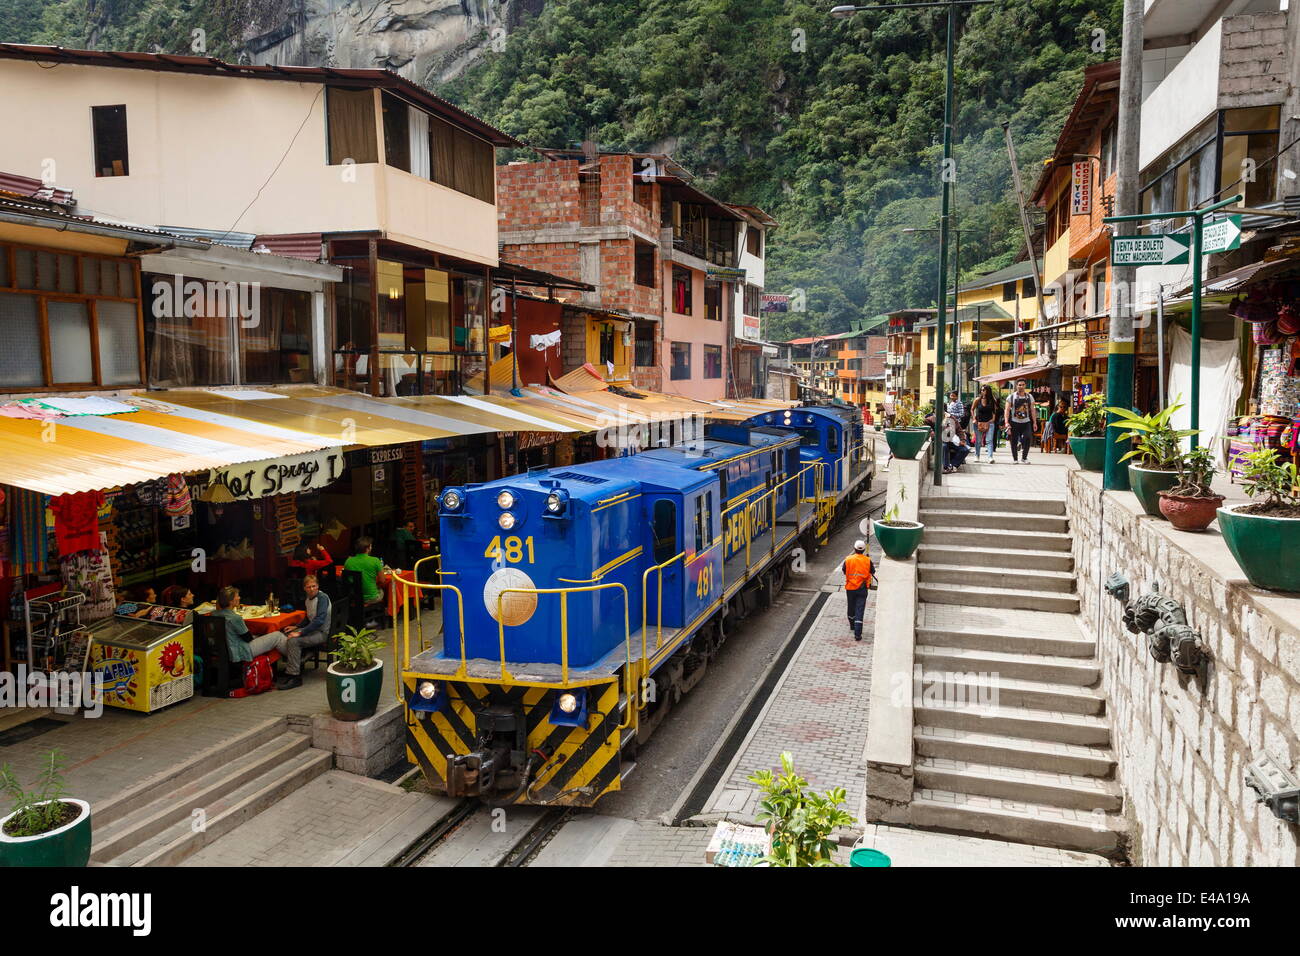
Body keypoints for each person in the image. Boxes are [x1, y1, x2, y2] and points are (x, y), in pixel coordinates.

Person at [276, 574, 333, 689]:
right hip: (314, 630)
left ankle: (295, 676)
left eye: (314, 586)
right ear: (304, 588)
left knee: (294, 641)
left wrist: (300, 632)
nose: (312, 589)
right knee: (285, 634)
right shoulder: (308, 599)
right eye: (309, 587)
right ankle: (295, 664)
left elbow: (319, 620)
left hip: (322, 633)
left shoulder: (322, 598)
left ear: (318, 586)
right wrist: (296, 627)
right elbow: (309, 617)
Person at [213, 586, 285, 668]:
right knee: (278, 636)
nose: (239, 598)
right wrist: (259, 636)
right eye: (237, 596)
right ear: (231, 601)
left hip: (223, 649)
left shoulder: (214, 614)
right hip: (240, 651)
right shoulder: (235, 618)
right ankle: (296, 657)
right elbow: (248, 638)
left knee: (268, 637)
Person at [843, 540, 873, 642]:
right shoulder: (867, 560)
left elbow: (844, 570)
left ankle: (852, 625)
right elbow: (872, 571)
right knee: (859, 610)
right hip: (862, 588)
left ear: (854, 549)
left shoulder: (848, 559)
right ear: (864, 550)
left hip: (850, 588)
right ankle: (857, 634)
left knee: (851, 607)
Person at [344, 537, 386, 608]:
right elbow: (382, 580)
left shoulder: (348, 561)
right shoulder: (375, 560)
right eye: (371, 546)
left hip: (354, 597)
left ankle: (362, 605)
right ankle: (385, 611)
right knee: (383, 591)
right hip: (371, 597)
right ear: (367, 548)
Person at [1004, 379, 1038, 464]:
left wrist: (1034, 422)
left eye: (1023, 385)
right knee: (1014, 440)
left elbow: (1033, 410)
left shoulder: (1029, 397)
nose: (1021, 386)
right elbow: (1007, 410)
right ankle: (1015, 459)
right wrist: (1006, 422)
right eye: (1019, 385)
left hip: (1026, 422)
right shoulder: (1011, 397)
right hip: (1014, 422)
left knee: (1028, 438)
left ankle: (1024, 457)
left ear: (1025, 386)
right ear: (1016, 386)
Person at [970, 385, 998, 463]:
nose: (982, 391)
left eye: (984, 390)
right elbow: (972, 409)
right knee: (978, 440)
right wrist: (974, 419)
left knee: (989, 440)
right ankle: (977, 455)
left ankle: (990, 457)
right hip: (978, 423)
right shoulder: (977, 400)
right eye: (982, 390)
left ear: (988, 391)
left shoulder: (992, 400)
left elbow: (994, 411)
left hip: (989, 423)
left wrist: (993, 419)